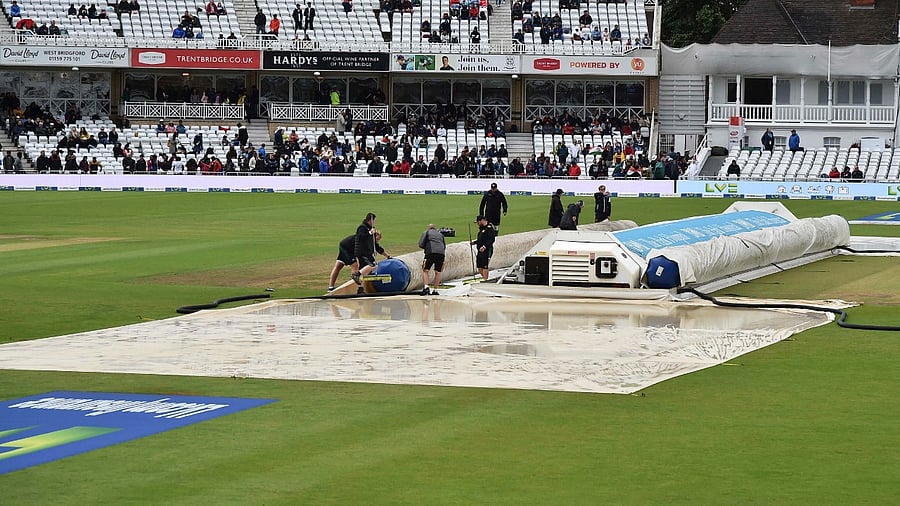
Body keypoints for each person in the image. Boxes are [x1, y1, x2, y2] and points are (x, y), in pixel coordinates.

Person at [352, 212, 382, 291]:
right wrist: (369, 233)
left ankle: (361, 288)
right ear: (370, 220)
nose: (374, 222)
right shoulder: (362, 228)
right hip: (362, 252)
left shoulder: (370, 228)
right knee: (372, 265)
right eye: (374, 220)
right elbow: (360, 236)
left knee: (365, 271)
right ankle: (357, 274)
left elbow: (372, 242)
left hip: (367, 252)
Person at [418, 224, 447, 295]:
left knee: (425, 270)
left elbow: (421, 244)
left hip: (430, 253)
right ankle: (435, 290)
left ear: (429, 228)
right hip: (441, 254)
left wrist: (426, 248)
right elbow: (444, 246)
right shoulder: (440, 234)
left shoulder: (426, 232)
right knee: (438, 272)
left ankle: (426, 287)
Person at [471, 215, 496, 281]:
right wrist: (475, 242)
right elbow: (481, 239)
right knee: (479, 266)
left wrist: (484, 246)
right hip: (480, 250)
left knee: (485, 266)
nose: (477, 224)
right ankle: (484, 278)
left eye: (478, 222)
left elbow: (491, 239)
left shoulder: (489, 228)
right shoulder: (482, 229)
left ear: (482, 221)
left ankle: (485, 279)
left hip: (487, 250)